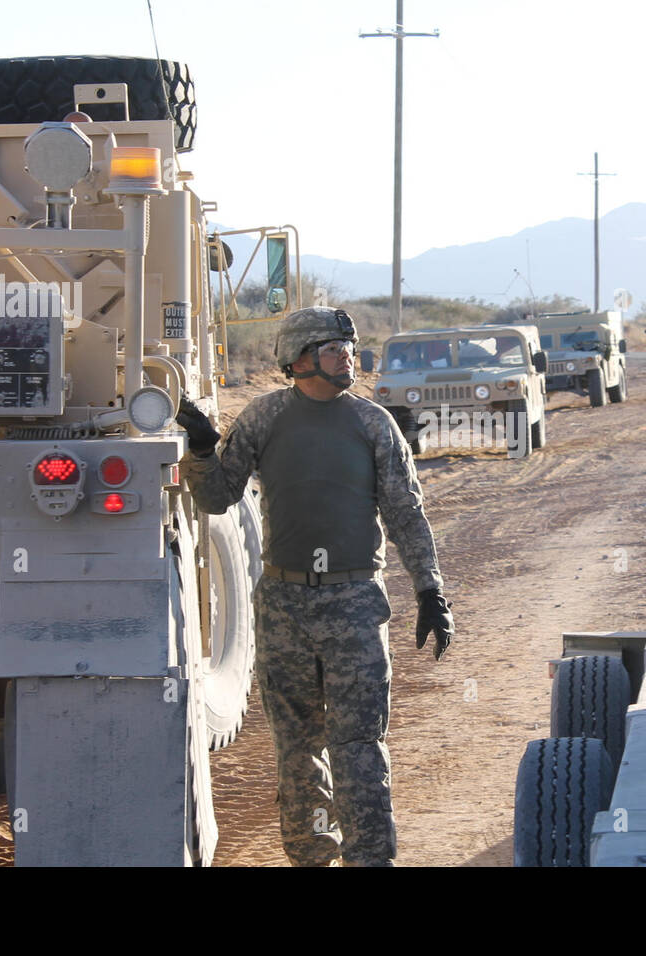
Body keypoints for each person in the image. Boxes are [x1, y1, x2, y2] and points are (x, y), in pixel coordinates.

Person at [174, 306, 455, 867]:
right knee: (298, 752)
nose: (347, 358)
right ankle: (311, 858)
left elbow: (405, 512)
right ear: (299, 359)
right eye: (334, 349)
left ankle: (371, 860)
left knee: (359, 749)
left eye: (350, 349)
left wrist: (430, 591)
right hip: (283, 607)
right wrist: (203, 451)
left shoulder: (374, 423)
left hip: (354, 605)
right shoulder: (263, 417)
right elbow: (216, 498)